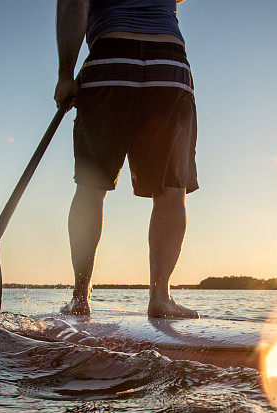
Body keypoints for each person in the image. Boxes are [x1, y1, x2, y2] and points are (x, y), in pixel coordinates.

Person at [55, 0, 199, 319]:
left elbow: (72, 4)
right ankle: (160, 297)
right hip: (169, 65)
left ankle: (80, 298)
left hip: (110, 62)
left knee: (91, 186)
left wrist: (66, 74)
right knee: (171, 190)